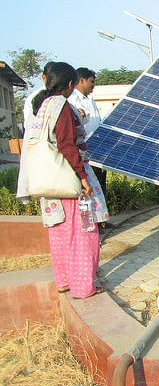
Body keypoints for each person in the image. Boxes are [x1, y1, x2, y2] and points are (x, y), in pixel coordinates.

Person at [17, 62, 109, 299]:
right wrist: (83, 177)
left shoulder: (43, 104)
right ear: (70, 84)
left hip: (48, 180)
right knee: (83, 233)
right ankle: (83, 287)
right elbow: (67, 145)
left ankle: (65, 281)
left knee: (59, 231)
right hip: (67, 181)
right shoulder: (62, 107)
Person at [68, 67, 111, 229]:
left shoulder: (89, 99)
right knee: (88, 188)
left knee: (100, 184)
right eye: (91, 82)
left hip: (98, 149)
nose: (93, 85)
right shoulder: (72, 100)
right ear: (81, 80)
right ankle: (91, 222)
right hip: (83, 151)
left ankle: (102, 220)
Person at [23, 61, 55, 133]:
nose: (54, 81)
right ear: (44, 77)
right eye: (52, 78)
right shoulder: (33, 97)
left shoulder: (64, 96)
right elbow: (29, 125)